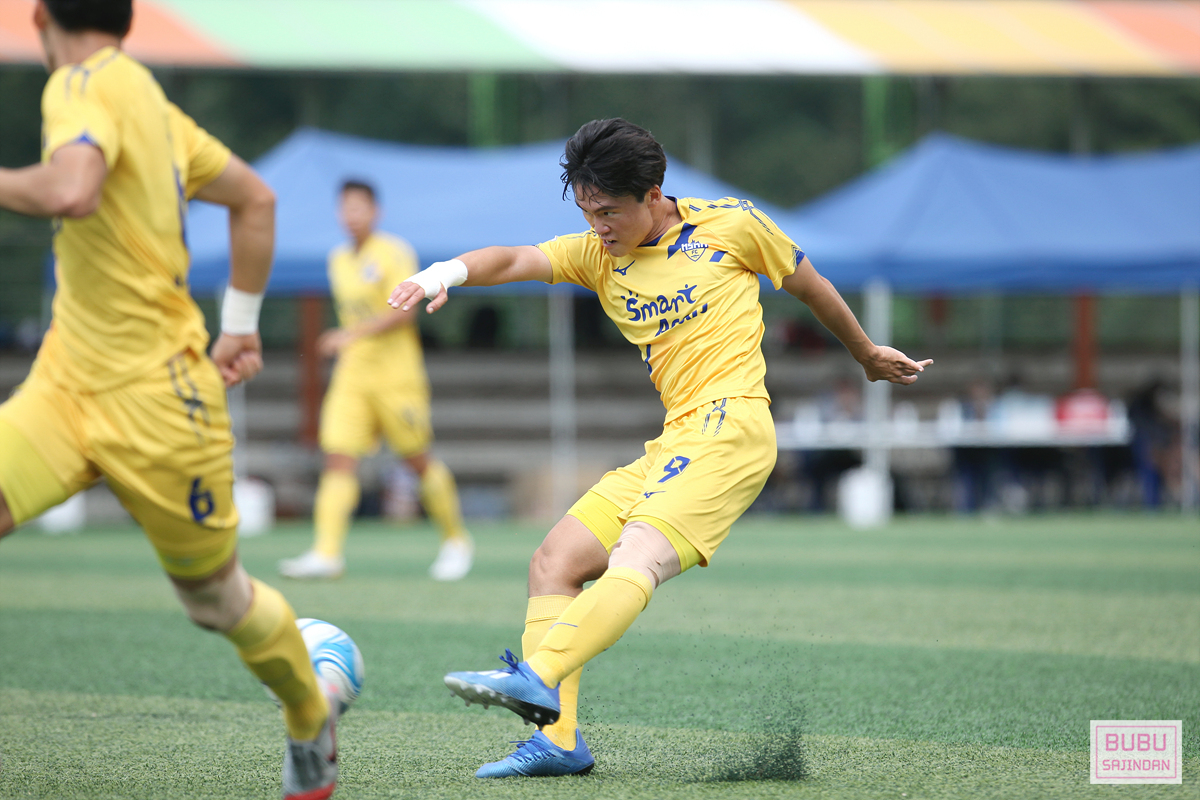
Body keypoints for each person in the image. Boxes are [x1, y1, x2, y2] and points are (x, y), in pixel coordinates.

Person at [389, 118, 932, 778]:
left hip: (733, 429)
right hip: (677, 437)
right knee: (554, 562)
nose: (597, 227)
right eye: (587, 212)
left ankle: (539, 675)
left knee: (636, 553)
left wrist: (866, 353)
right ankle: (558, 741)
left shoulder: (732, 226)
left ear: (653, 195)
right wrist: (442, 273)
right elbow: (513, 259)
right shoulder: (600, 256)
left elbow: (808, 284)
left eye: (608, 212)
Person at [0, 3, 340, 797]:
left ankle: (310, 707)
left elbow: (73, 189)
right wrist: (241, 325)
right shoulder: (150, 101)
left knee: (216, 602)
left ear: (41, 16)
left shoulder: (77, 84)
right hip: (65, 382)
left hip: (159, 402)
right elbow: (255, 200)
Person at [278, 179, 472, 581]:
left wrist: (349, 335)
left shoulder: (394, 252)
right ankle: (326, 553)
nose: (350, 216)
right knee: (338, 456)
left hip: (396, 375)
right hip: (353, 375)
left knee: (417, 459)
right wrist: (351, 341)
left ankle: (456, 540)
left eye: (358, 207)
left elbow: (405, 312)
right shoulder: (338, 259)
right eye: (345, 208)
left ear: (374, 211)